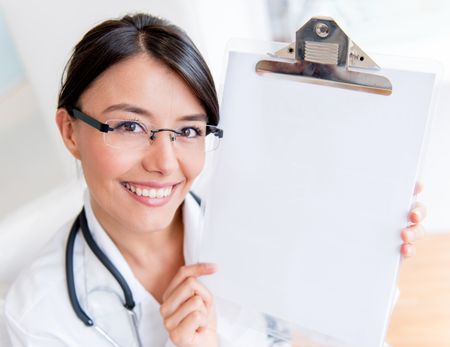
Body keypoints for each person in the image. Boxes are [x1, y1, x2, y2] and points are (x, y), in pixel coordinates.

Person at [3, 13, 426, 347]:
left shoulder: (256, 219)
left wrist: (366, 260)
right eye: (130, 126)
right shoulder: (37, 318)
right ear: (70, 131)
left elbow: (340, 335)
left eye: (188, 131)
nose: (165, 163)